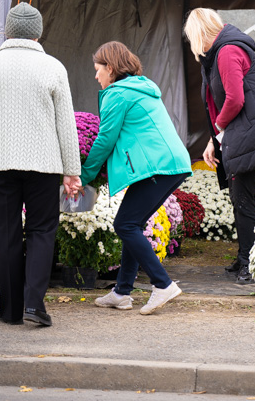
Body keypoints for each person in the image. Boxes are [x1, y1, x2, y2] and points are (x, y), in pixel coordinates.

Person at [0, 2, 81, 327]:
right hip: (44, 165)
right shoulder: (54, 68)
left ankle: (10, 309)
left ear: (8, 31)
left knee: (5, 232)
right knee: (42, 230)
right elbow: (66, 125)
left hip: (0, 163)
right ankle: (34, 304)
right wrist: (73, 171)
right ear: (38, 33)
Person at [183, 8, 255, 283]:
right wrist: (215, 139)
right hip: (245, 135)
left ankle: (250, 261)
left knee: (243, 199)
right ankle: (245, 256)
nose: (191, 44)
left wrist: (218, 130)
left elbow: (234, 100)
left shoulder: (228, 52)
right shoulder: (218, 54)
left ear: (199, 33)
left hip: (253, 137)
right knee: (239, 197)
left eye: (191, 37)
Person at [81, 42, 191, 315]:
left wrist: (84, 175)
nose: (96, 77)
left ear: (111, 68)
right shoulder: (141, 87)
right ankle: (121, 292)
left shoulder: (118, 95)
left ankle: (162, 284)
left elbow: (105, 139)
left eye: (98, 70)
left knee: (126, 224)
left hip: (158, 168)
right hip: (168, 164)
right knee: (132, 223)